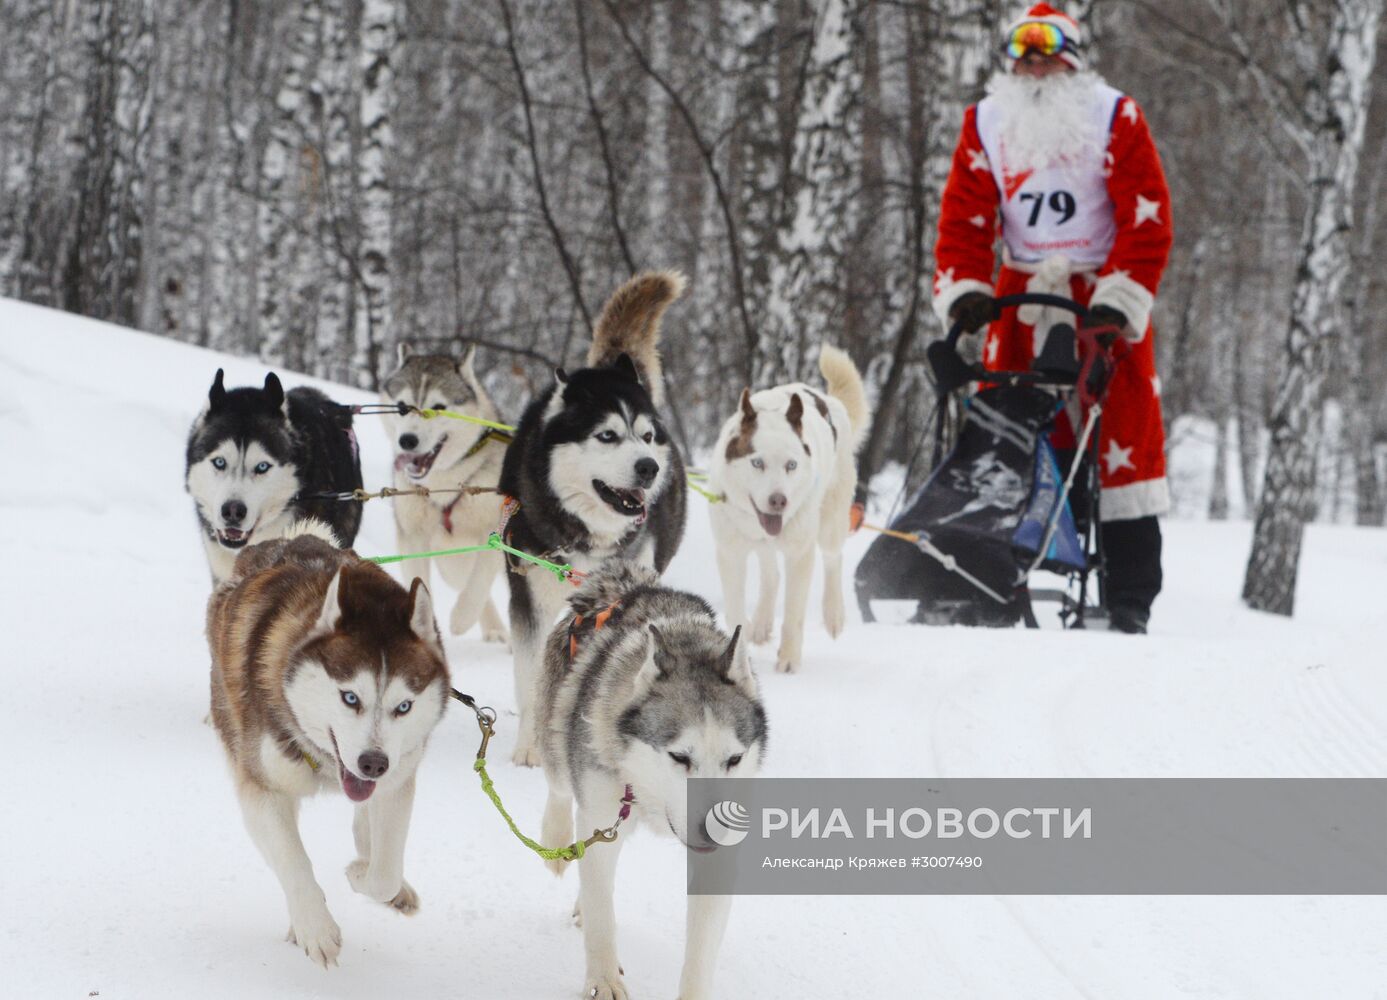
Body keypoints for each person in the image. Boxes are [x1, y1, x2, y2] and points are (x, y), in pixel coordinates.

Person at [931, 3, 1174, 634]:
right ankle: (986, 572)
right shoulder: (986, 121)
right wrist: (966, 293)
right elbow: (963, 217)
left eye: (1048, 55)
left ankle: (1128, 594)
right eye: (1024, 56)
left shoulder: (1114, 116)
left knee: (1121, 441)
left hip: (1101, 302)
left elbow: (1146, 214)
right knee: (1005, 432)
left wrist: (1117, 304)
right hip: (1020, 299)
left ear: (1072, 59)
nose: (1035, 68)